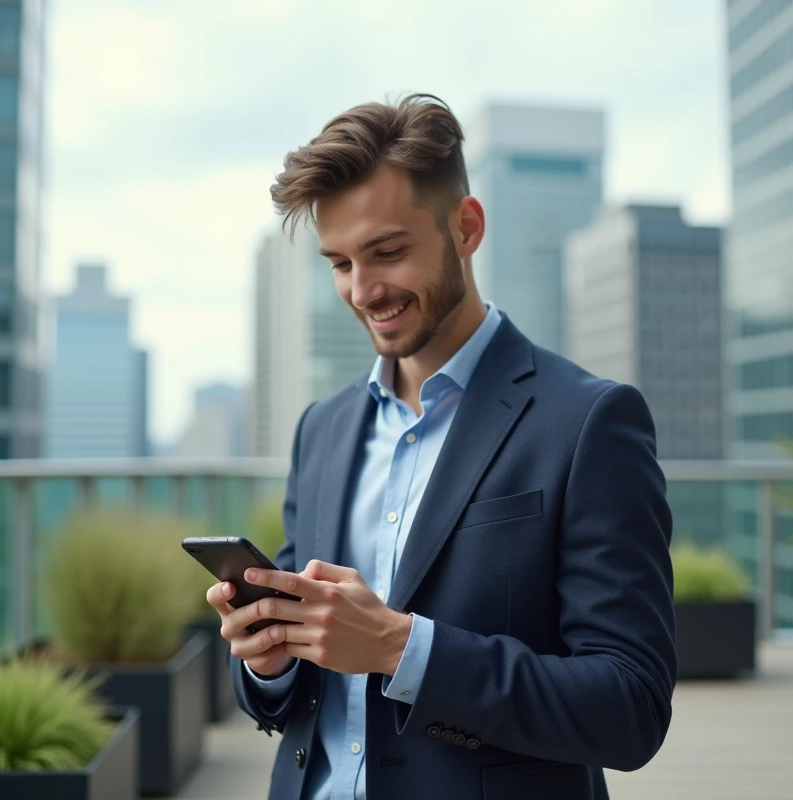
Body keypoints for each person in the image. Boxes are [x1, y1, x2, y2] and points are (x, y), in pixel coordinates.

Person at [205, 93, 676, 800]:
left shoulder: (588, 423)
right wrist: (268, 664)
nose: (363, 291)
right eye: (339, 263)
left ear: (467, 227)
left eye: (387, 252)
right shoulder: (322, 430)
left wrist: (402, 647)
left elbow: (630, 707)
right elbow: (297, 701)